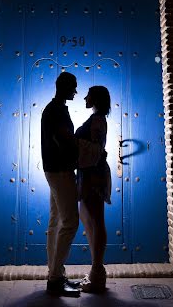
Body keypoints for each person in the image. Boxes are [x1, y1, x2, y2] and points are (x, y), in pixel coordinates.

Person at [41, 72, 82, 297]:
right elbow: (64, 138)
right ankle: (55, 278)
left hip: (54, 170)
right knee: (70, 222)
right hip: (61, 171)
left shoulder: (54, 108)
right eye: (73, 87)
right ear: (64, 87)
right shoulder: (56, 109)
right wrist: (85, 150)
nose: (76, 91)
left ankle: (54, 275)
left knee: (55, 222)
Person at [75, 85, 112, 294]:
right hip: (88, 173)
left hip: (93, 174)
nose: (84, 98)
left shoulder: (97, 119)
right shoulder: (96, 118)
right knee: (87, 217)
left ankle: (98, 272)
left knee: (96, 219)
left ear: (95, 98)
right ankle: (95, 270)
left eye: (88, 95)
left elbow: (96, 148)